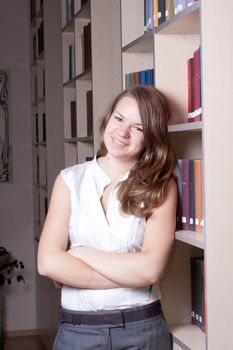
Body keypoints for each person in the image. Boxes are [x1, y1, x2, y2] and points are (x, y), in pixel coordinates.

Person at [37, 85, 177, 350]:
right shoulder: (69, 180)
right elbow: (47, 264)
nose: (122, 132)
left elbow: (151, 270)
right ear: (108, 118)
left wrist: (78, 253)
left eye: (138, 127)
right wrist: (132, 275)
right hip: (78, 331)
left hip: (142, 329)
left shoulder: (161, 186)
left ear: (152, 137)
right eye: (119, 118)